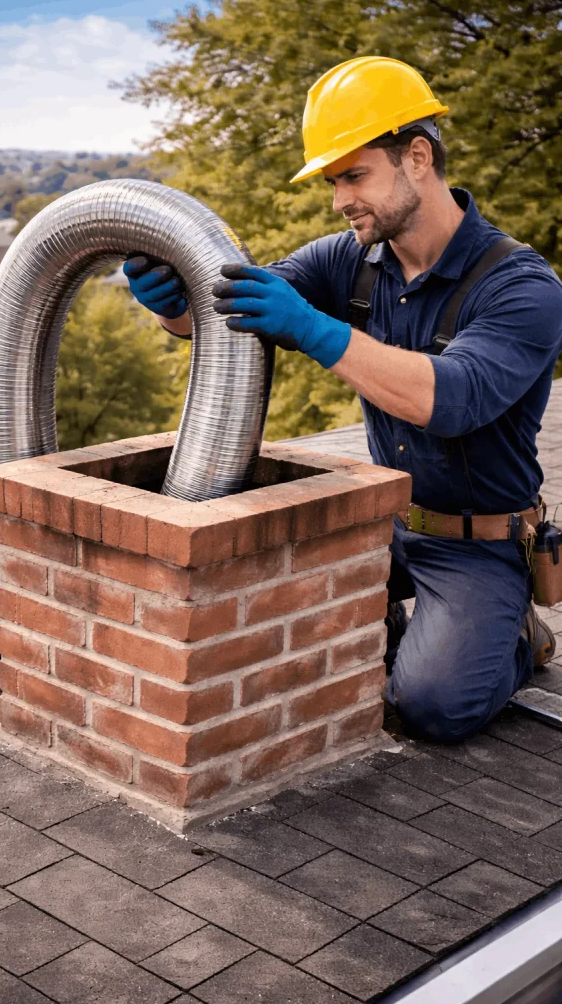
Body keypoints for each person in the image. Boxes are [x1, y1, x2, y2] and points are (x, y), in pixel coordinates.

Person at [123, 56, 562, 744]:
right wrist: (174, 305)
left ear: (416, 157)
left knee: (429, 706)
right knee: (258, 627)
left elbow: (449, 400)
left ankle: (513, 638)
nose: (339, 200)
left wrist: (314, 328)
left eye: (353, 176)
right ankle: (395, 621)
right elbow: (235, 305)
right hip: (378, 518)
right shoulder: (348, 258)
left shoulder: (521, 287)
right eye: (332, 182)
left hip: (477, 542)